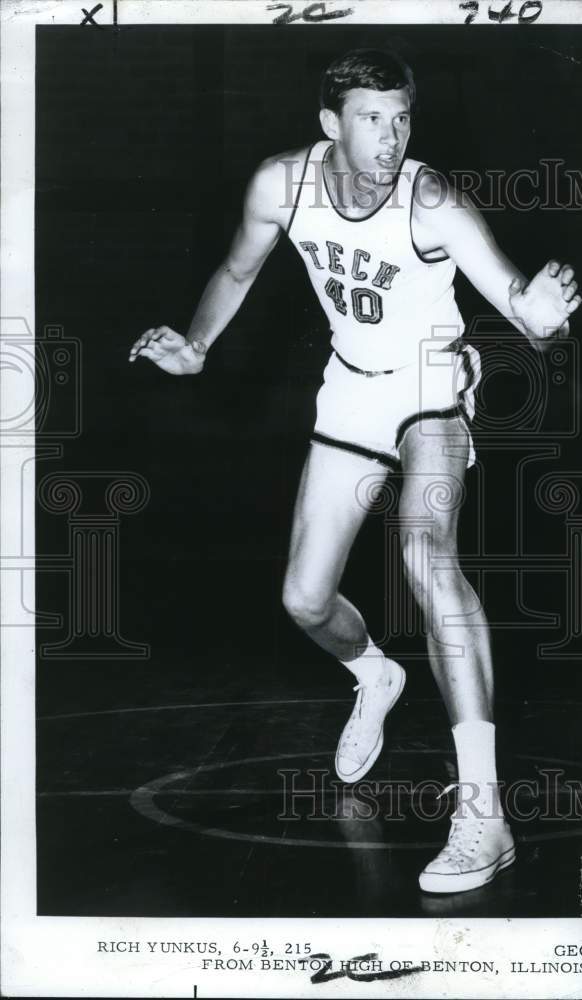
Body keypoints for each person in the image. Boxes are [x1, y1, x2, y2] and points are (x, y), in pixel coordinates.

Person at [129, 48, 580, 893]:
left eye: (402, 116)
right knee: (303, 599)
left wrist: (545, 319)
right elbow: (235, 270)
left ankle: (484, 813)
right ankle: (375, 672)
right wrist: (194, 347)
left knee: (425, 556)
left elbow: (522, 306)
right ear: (331, 123)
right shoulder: (281, 186)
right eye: (373, 118)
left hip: (430, 387)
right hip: (350, 392)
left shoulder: (432, 200)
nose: (391, 135)